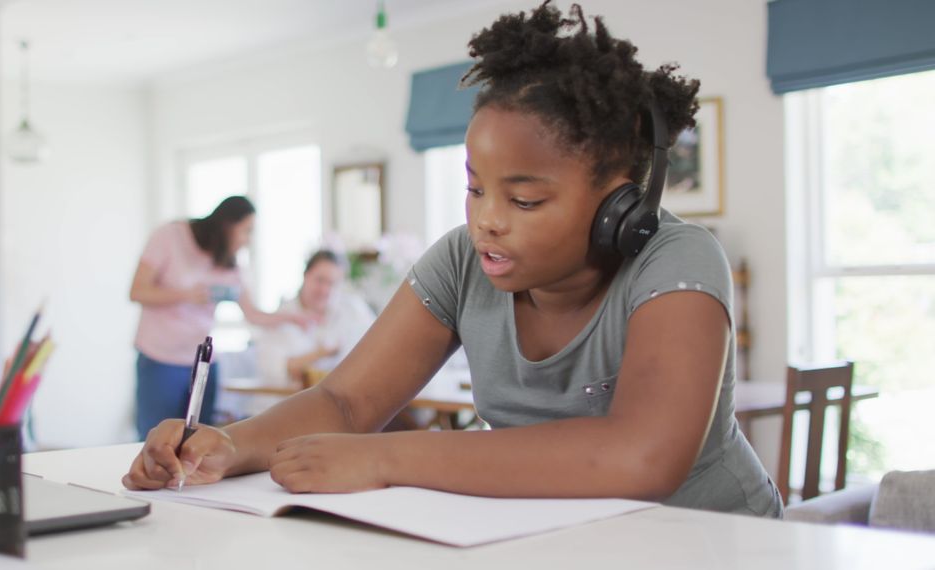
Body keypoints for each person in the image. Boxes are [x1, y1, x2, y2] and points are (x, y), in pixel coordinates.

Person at [123, 1, 783, 518]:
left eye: (523, 200)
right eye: (475, 188)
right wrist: (232, 445)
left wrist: (387, 459)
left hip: (713, 541)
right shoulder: (465, 262)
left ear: (621, 209)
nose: (486, 217)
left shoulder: (679, 262)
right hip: (563, 539)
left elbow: (640, 457)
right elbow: (347, 404)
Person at [129, 195, 309, 439]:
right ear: (227, 225)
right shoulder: (170, 236)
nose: (248, 240)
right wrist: (185, 295)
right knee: (153, 439)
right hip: (161, 360)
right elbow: (137, 291)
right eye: (246, 231)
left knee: (197, 442)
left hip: (202, 364)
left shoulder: (231, 264)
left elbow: (253, 314)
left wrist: (291, 318)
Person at [255, 250, 374, 390]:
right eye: (320, 280)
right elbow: (279, 370)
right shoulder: (281, 318)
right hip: (289, 401)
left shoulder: (352, 309)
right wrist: (322, 353)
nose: (324, 290)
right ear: (305, 276)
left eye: (332, 284)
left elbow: (378, 342)